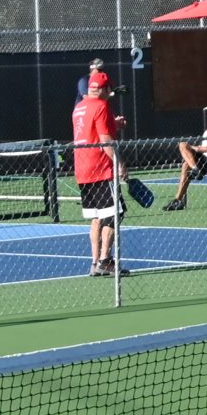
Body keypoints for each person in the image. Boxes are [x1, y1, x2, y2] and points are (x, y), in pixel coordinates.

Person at [71, 68, 126, 275]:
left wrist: (114, 124)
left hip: (82, 168)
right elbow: (105, 142)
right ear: (104, 89)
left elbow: (91, 132)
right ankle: (105, 260)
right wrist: (119, 164)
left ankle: (95, 263)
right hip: (101, 168)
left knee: (97, 217)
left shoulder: (79, 108)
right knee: (115, 213)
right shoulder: (102, 105)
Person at [163, 100, 207, 209]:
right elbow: (203, 150)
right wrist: (194, 149)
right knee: (183, 149)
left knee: (185, 152)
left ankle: (195, 170)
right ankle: (178, 200)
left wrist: (196, 148)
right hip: (206, 160)